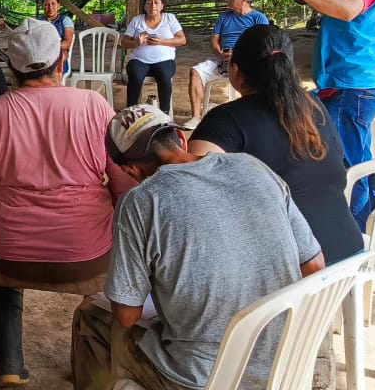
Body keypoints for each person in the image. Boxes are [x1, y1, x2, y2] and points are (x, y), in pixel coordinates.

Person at [71, 104, 324, 390]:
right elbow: (314, 266)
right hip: (285, 367)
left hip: (201, 379)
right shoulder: (252, 166)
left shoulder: (140, 202)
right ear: (180, 137)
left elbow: (127, 316)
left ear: (130, 169)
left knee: (90, 316)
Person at [0, 18, 136, 387]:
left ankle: (9, 368)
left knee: (3, 283)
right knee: (108, 276)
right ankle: (97, 369)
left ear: (10, 68)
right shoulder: (94, 105)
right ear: (60, 62)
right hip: (86, 253)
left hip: (8, 252)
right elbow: (125, 186)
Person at [187, 25, 365, 389]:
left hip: (292, 273)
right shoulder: (314, 107)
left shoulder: (225, 121)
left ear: (235, 70)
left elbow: (190, 194)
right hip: (345, 255)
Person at [276, 0, 375, 230]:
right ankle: (371, 217)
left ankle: (354, 231)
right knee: (358, 154)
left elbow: (349, 9)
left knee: (349, 165)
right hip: (355, 81)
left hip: (351, 86)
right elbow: (343, 8)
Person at [181, 0, 269, 130]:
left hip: (247, 63)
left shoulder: (259, 18)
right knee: (196, 71)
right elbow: (214, 40)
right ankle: (196, 117)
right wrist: (219, 53)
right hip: (222, 60)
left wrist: (240, 54)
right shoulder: (224, 17)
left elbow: (263, 45)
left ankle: (249, 118)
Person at [119, 0, 185, 112]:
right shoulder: (137, 20)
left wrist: (162, 41)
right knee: (135, 75)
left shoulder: (169, 19)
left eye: (156, 2)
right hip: (139, 60)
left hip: (164, 61)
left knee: (164, 75)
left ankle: (164, 114)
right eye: (149, 3)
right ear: (144, 6)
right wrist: (137, 43)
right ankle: (131, 112)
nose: (152, 5)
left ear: (162, 6)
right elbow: (124, 42)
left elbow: (182, 40)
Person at [40, 0, 75, 75]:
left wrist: (49, 48)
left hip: (58, 56)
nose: (50, 7)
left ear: (58, 6)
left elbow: (67, 43)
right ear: (42, 7)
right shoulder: (38, 21)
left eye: (53, 4)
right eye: (46, 4)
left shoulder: (65, 20)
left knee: (62, 53)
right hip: (40, 56)